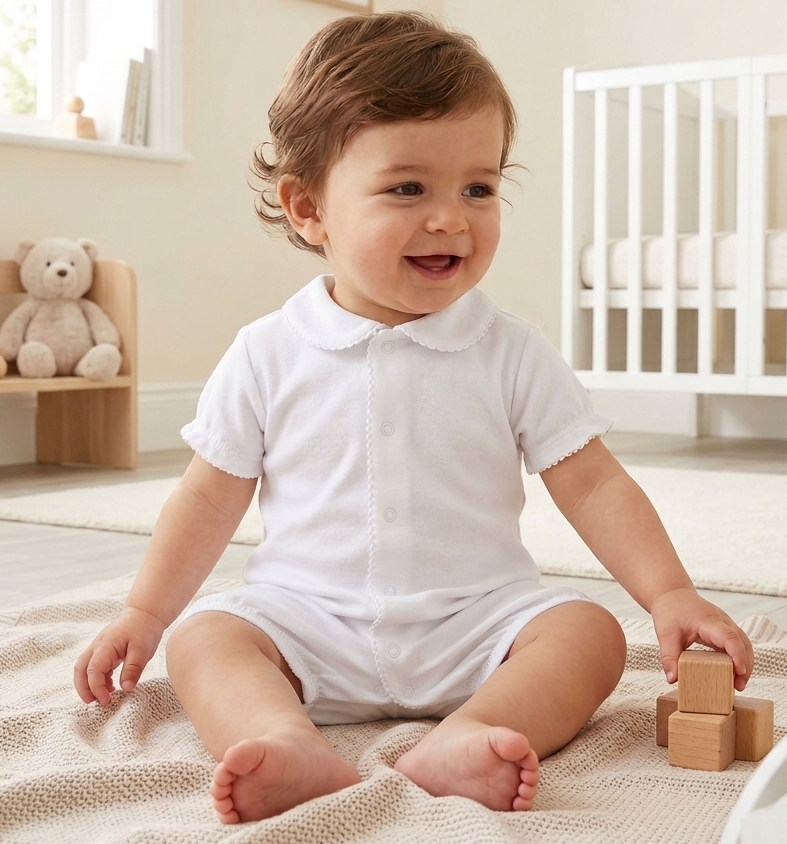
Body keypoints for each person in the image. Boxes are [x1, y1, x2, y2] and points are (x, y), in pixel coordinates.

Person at [74, 11, 754, 825]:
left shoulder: (509, 351)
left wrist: (668, 593)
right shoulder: (267, 351)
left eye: (479, 187)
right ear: (307, 209)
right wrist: (145, 615)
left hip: (477, 620)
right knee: (206, 639)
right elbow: (207, 498)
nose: (450, 218)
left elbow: (593, 483)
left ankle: (473, 734)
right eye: (407, 189)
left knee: (588, 633)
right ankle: (279, 736)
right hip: (306, 621)